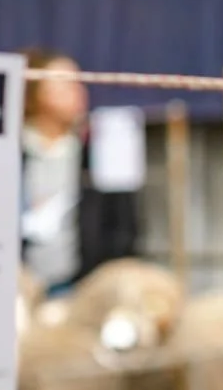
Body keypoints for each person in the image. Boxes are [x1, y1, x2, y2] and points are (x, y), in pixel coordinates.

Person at [18, 46, 138, 296]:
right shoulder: (11, 153)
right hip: (20, 286)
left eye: (79, 83)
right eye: (65, 85)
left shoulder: (97, 151)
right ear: (34, 94)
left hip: (81, 288)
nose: (78, 93)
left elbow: (123, 227)